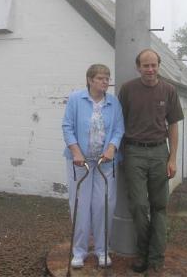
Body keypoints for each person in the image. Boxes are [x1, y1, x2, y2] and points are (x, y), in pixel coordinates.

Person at [119, 49, 184, 274]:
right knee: (138, 206)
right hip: (134, 152)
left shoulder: (169, 90)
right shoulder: (127, 90)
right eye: (145, 65)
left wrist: (172, 158)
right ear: (138, 67)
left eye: (154, 65)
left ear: (159, 65)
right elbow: (120, 123)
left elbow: (174, 125)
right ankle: (143, 253)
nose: (150, 69)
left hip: (159, 154)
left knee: (159, 207)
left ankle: (156, 259)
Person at [62, 64, 124, 268]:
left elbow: (118, 129)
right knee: (80, 206)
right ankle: (79, 251)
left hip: (105, 163)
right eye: (100, 78)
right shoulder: (75, 99)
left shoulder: (113, 102)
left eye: (107, 78)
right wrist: (76, 151)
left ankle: (102, 249)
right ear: (89, 80)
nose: (105, 81)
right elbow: (67, 126)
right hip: (81, 163)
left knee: (103, 205)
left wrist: (112, 148)